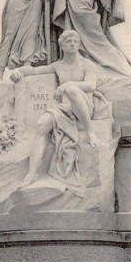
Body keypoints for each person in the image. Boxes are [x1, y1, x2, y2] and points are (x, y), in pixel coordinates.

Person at [11, 30, 108, 192]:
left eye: (75, 41)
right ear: (61, 45)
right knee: (41, 125)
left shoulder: (87, 65)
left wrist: (67, 85)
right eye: (68, 41)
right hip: (64, 108)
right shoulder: (58, 65)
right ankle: (32, 173)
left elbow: (91, 85)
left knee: (72, 90)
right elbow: (35, 71)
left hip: (83, 105)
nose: (72, 44)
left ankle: (90, 131)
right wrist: (18, 71)